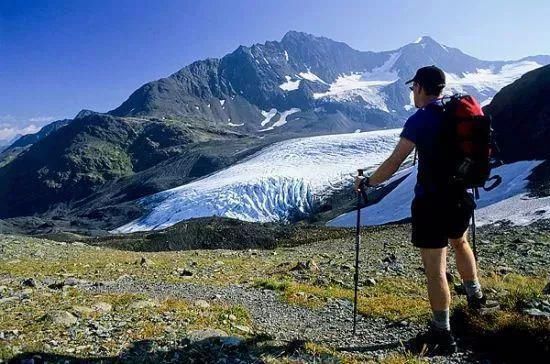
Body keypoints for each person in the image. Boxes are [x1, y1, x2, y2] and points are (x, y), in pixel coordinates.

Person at [354, 65, 499, 355]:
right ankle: (476, 300)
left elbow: (395, 162)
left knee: (435, 270)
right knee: (461, 243)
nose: (412, 94)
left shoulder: (420, 120)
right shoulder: (456, 111)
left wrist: (367, 181)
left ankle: (442, 333)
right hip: (459, 196)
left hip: (431, 202)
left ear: (420, 87)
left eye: (412, 88)